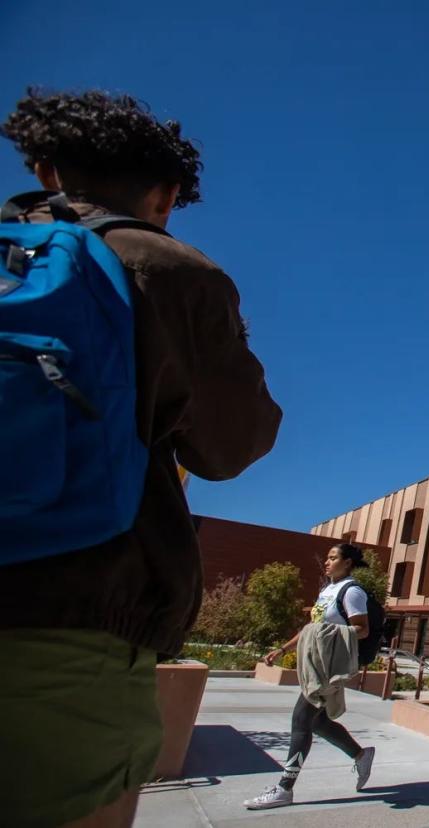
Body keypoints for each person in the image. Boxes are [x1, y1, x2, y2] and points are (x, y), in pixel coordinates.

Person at [0, 89, 281, 828]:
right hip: (67, 623)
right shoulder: (164, 268)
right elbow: (234, 445)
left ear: (43, 166)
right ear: (162, 195)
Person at [244, 543, 377, 810]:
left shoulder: (352, 592)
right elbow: (311, 627)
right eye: (326, 558)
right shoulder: (327, 590)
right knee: (318, 723)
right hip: (314, 662)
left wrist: (331, 634)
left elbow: (362, 629)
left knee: (301, 718)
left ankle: (285, 787)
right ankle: (361, 755)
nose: (326, 562)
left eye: (333, 558)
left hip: (329, 665)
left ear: (348, 562)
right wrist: (283, 649)